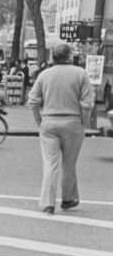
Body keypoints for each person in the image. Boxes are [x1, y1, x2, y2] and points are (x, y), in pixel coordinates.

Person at [26, 43, 94, 215]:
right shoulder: (80, 74)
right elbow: (87, 104)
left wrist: (39, 121)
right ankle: (68, 198)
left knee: (50, 163)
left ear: (53, 57)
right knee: (69, 164)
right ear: (69, 56)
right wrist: (83, 122)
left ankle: (48, 202)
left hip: (49, 122)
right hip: (73, 122)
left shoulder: (44, 75)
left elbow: (33, 101)